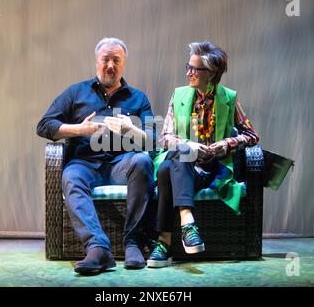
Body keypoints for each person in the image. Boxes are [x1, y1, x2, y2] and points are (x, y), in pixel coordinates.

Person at [37, 37, 156, 275]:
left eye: (116, 60)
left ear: (123, 64)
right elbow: (44, 126)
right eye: (105, 59)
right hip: (84, 164)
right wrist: (78, 129)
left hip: (121, 165)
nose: (110, 65)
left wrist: (130, 129)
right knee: (70, 177)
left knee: (142, 161)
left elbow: (153, 140)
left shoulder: (138, 98)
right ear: (97, 61)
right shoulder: (76, 92)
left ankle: (133, 242)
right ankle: (98, 247)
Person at [148, 41, 259, 268]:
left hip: (211, 170)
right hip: (185, 164)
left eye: (194, 69)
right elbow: (165, 137)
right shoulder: (178, 95)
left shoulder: (229, 98)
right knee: (180, 153)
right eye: (187, 66)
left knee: (169, 169)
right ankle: (187, 225)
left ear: (211, 73)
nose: (188, 72)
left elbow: (251, 135)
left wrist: (227, 144)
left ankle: (164, 244)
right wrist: (189, 145)